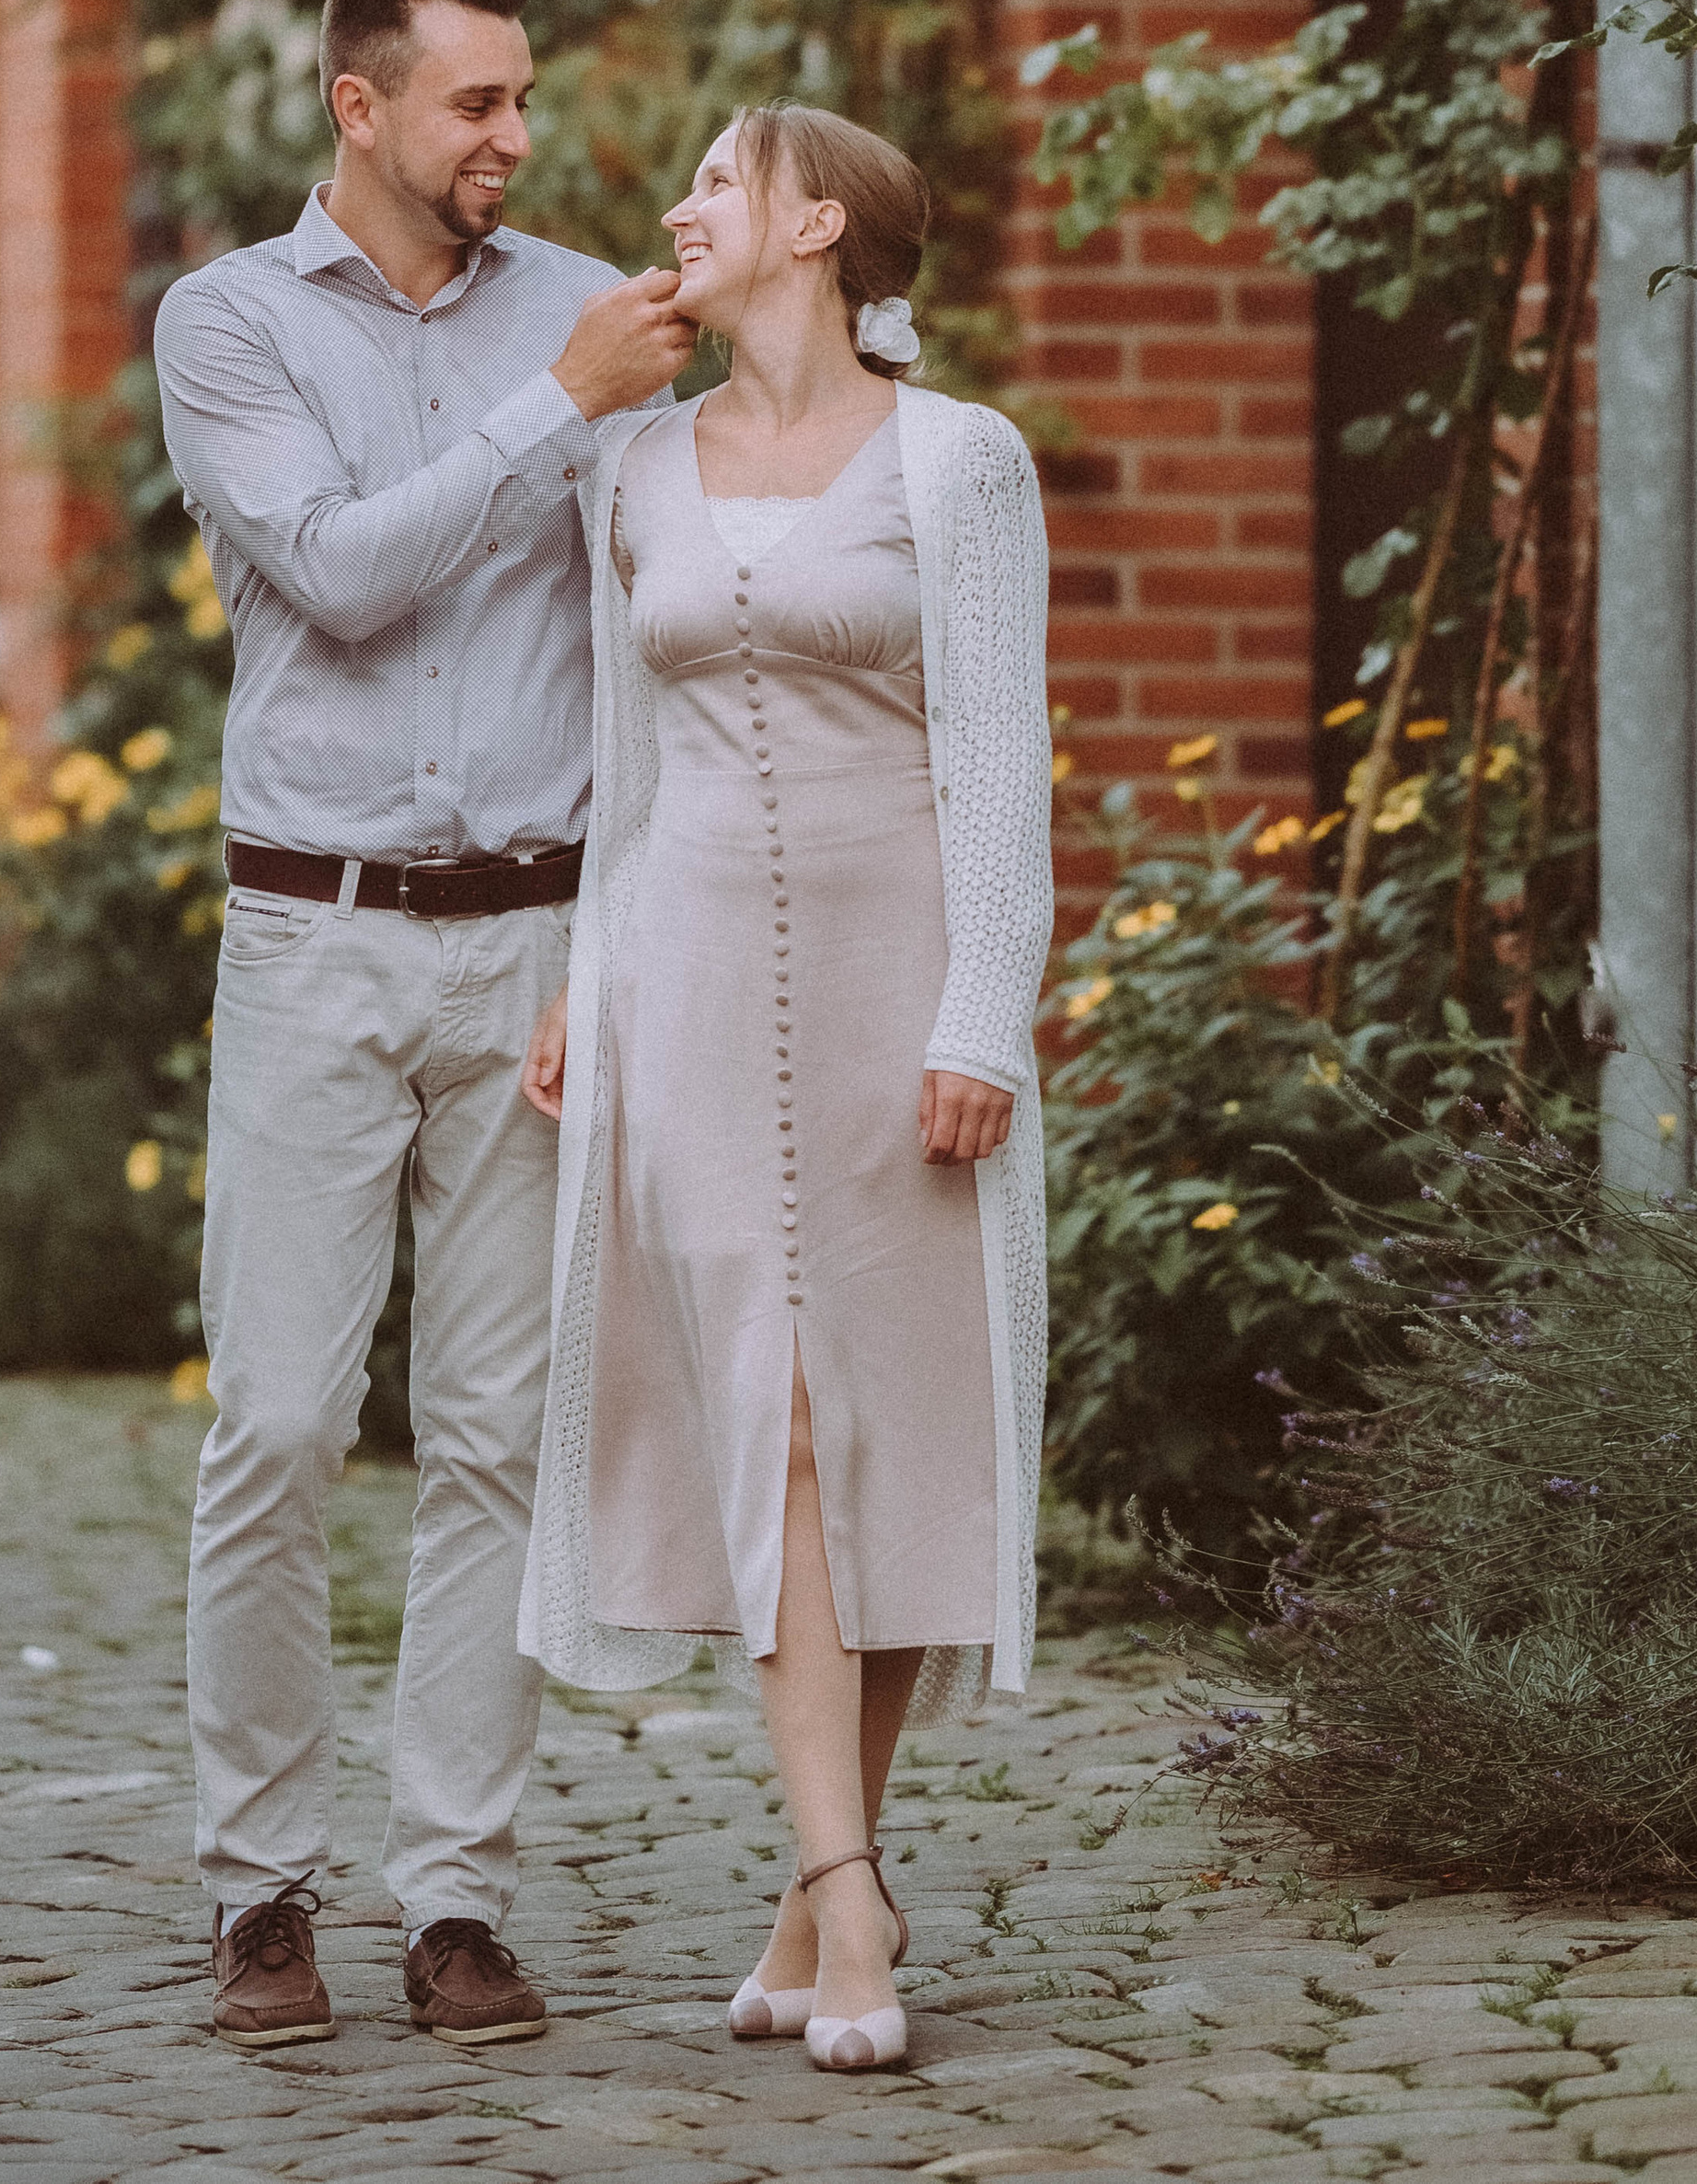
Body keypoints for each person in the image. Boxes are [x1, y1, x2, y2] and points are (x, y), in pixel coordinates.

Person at [154, 0, 693, 2051]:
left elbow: (674, 592)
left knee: (493, 1438)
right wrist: (551, 412)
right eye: (474, 102)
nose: (515, 139)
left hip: (542, 943)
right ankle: (257, 1892)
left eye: (522, 101)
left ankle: (453, 1897)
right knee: (278, 1424)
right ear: (357, 108)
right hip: (315, 930)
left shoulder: (589, 308)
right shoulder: (227, 325)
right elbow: (346, 574)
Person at [518, 102, 1052, 2077]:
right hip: (678, 976)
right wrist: (582, 980)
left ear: (816, 224)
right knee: (777, 1425)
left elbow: (999, 758)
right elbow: (617, 760)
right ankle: (853, 1895)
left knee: (885, 1426)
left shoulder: (959, 459)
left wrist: (982, 1010)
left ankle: (815, 1884)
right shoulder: (629, 464)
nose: (678, 208)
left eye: (716, 182)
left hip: (890, 979)